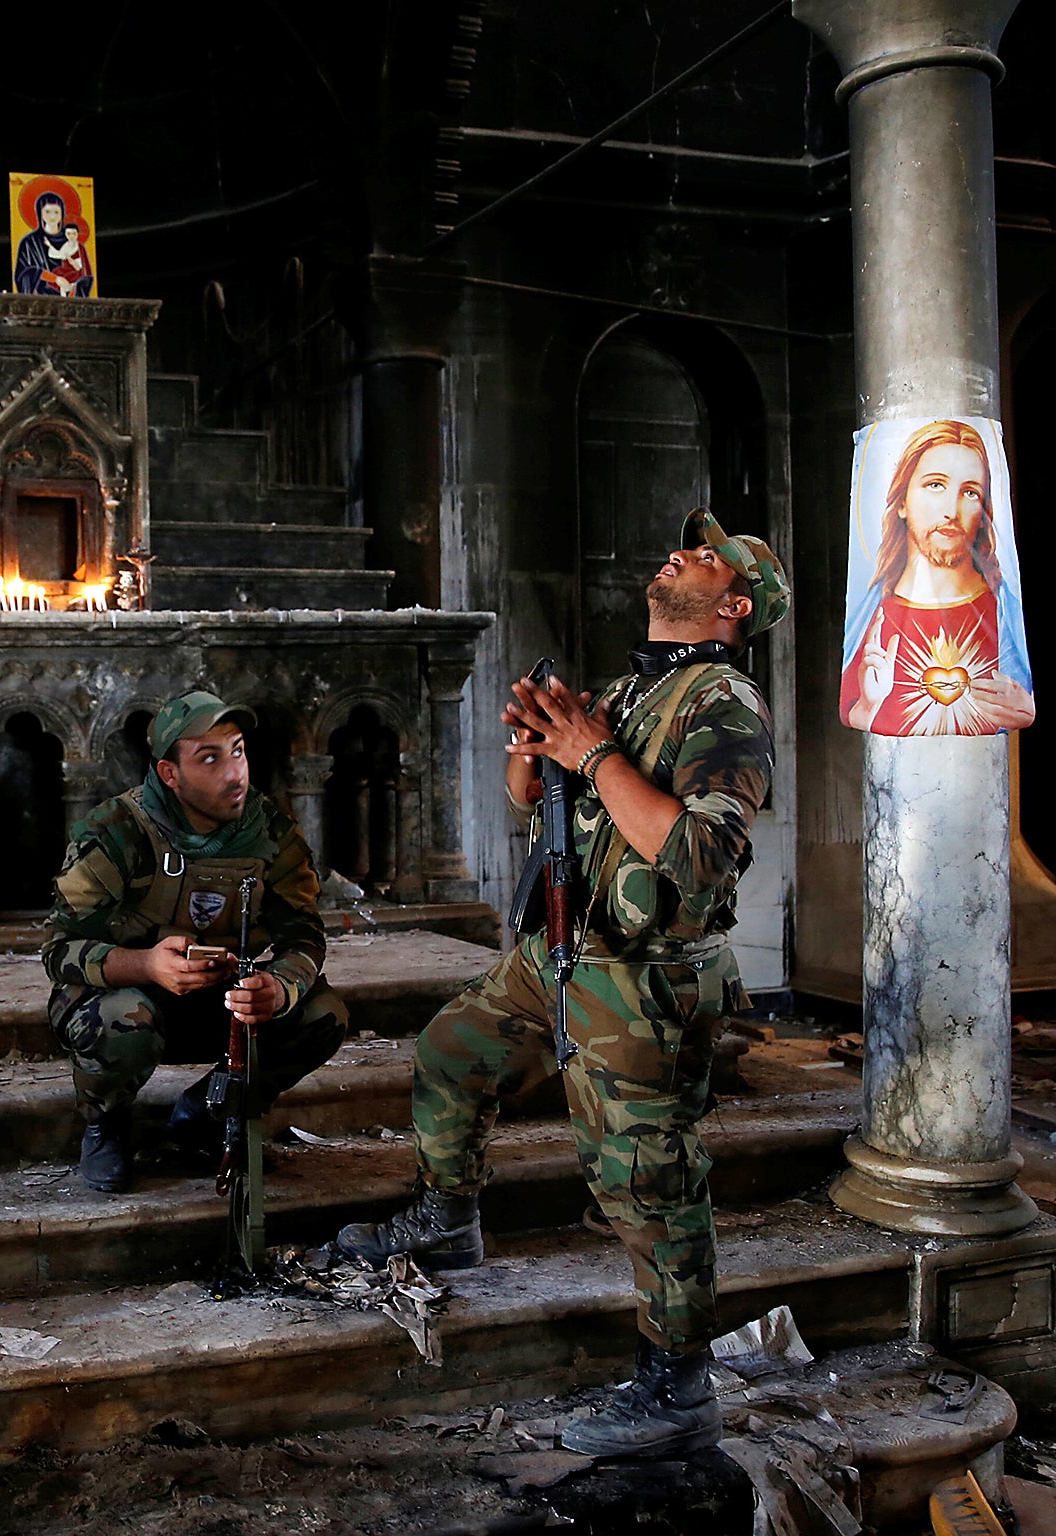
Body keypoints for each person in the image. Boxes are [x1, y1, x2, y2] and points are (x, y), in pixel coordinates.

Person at [336, 508, 787, 1460]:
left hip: (642, 977)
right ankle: (448, 1218)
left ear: (736, 603)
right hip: (559, 951)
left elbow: (701, 855)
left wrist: (589, 753)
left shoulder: (724, 702)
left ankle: (677, 1385)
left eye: (706, 557)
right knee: (451, 1052)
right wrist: (534, 741)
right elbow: (528, 797)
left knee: (646, 1182)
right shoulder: (627, 689)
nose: (680, 554)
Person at [43, 690, 348, 1192]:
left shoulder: (270, 828)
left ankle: (206, 1113)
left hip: (220, 1000)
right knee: (124, 1020)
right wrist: (145, 965)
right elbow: (58, 951)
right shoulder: (116, 831)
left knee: (321, 1013)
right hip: (128, 999)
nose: (235, 773)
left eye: (239, 751)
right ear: (170, 773)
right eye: (209, 759)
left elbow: (304, 933)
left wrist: (279, 985)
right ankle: (106, 1123)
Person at [840, 418, 1033, 734]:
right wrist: (869, 706)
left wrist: (1022, 708)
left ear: (984, 513)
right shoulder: (871, 625)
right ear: (902, 501)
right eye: (935, 485)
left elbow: (1021, 708)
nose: (951, 511)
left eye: (970, 492)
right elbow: (855, 715)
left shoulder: (1003, 615)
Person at [13, 191, 94, 297]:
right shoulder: (29, 242)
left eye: (56, 212)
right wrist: (54, 279)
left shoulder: (75, 243)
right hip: (41, 301)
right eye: (47, 211)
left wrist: (72, 291)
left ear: (62, 214)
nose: (52, 216)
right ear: (40, 213)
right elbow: (23, 274)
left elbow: (86, 276)